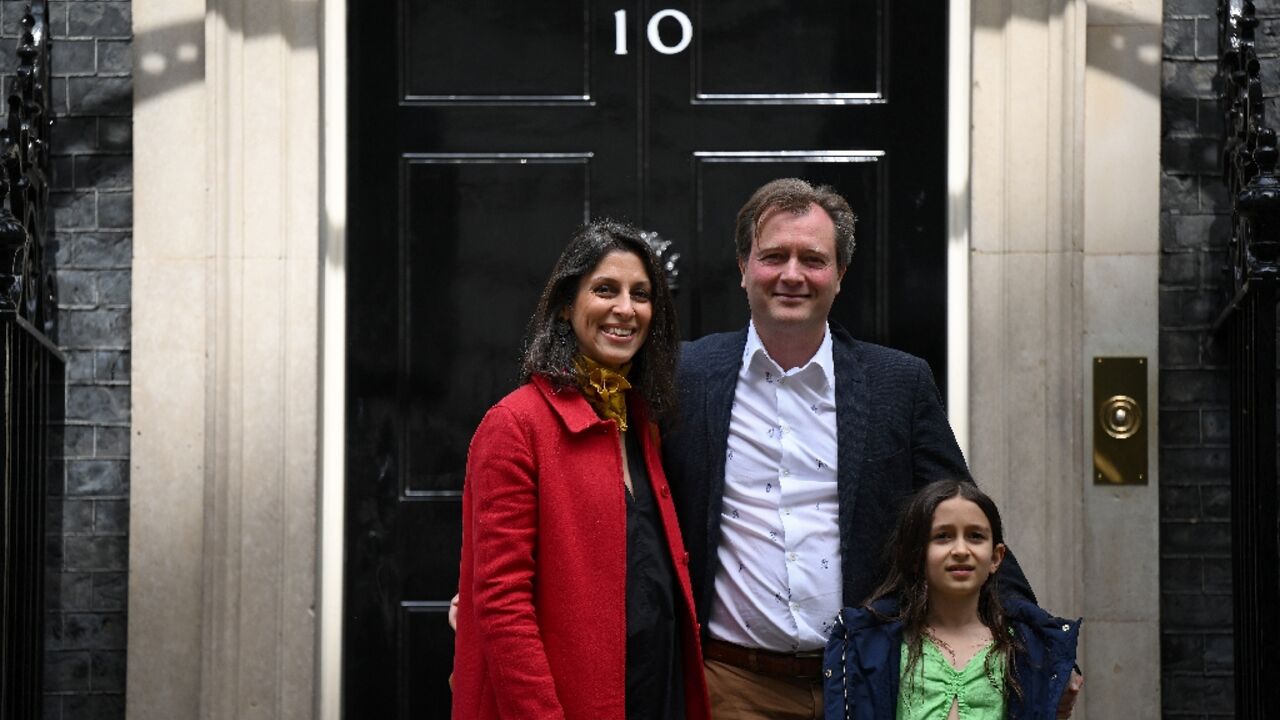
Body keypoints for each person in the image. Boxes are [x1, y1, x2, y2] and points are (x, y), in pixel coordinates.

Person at [661, 178, 1081, 719]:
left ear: (840, 275)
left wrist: (1040, 645)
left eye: (813, 259)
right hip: (732, 686)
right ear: (744, 267)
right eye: (774, 257)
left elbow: (963, 520)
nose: (792, 275)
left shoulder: (897, 384)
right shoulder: (684, 377)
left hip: (868, 683)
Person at [451, 220, 710, 720]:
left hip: (654, 693)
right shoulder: (514, 424)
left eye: (641, 294)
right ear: (567, 306)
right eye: (605, 290)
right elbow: (503, 604)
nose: (625, 309)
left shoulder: (640, 421)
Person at [823, 480, 1081, 719]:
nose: (960, 550)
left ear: (995, 558)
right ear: (916, 556)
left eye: (975, 536)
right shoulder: (872, 646)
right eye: (943, 536)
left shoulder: (1024, 648)